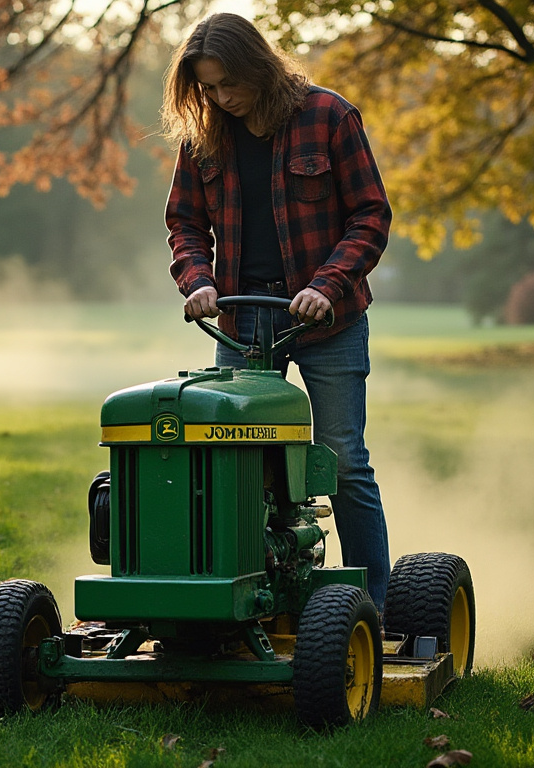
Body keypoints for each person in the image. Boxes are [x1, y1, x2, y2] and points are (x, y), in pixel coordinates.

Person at [162, 12, 392, 613]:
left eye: (227, 83)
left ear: (256, 67)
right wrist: (198, 280)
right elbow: (184, 223)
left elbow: (370, 216)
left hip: (325, 322)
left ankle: (372, 606)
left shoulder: (329, 116)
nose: (219, 97)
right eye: (207, 87)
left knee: (340, 462)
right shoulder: (203, 135)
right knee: (238, 466)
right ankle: (247, 603)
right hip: (240, 323)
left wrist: (328, 285)